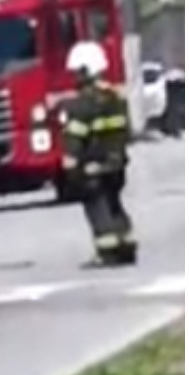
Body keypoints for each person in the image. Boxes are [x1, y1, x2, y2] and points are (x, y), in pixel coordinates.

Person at [56, 41, 138, 267]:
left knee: (97, 206)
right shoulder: (116, 100)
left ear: (85, 70)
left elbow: (74, 137)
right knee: (115, 203)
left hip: (92, 165)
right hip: (116, 163)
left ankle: (107, 251)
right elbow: (126, 132)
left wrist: (70, 163)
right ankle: (127, 246)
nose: (75, 78)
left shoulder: (81, 105)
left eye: (77, 72)